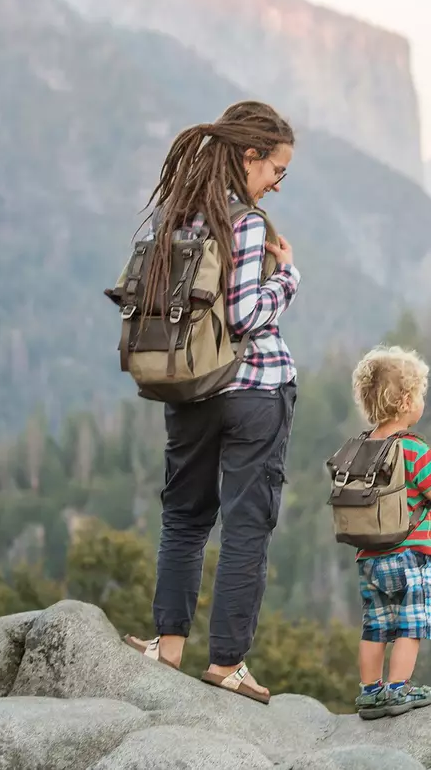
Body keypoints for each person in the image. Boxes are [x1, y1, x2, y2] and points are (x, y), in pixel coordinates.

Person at [123, 101, 300, 704]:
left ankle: (167, 647)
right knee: (246, 527)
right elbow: (245, 315)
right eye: (276, 168)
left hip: (188, 387)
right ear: (249, 156)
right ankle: (226, 664)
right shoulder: (244, 223)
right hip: (254, 392)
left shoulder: (169, 219)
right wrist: (289, 278)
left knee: (184, 519)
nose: (278, 181)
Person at [347, 346, 431, 719]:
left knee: (374, 627)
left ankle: (370, 691)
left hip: (368, 556)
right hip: (409, 553)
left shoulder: (362, 447)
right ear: (407, 401)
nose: (421, 401)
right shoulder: (411, 447)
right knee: (411, 624)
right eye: (420, 394)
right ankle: (398, 689)